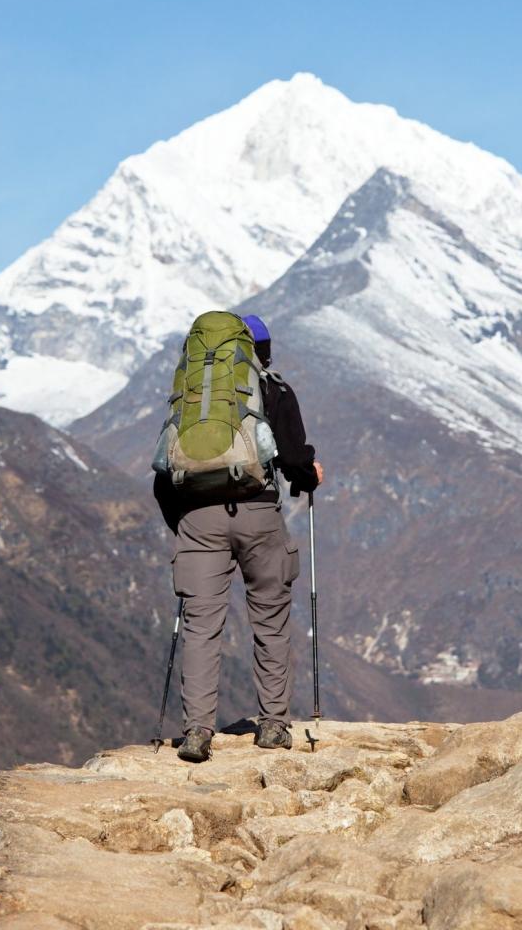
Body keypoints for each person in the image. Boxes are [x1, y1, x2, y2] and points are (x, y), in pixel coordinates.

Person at [153, 313, 323, 762]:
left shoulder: (195, 398)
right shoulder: (274, 390)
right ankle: (272, 725)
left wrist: (186, 526)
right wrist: (310, 474)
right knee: (269, 619)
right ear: (259, 352)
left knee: (202, 627)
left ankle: (196, 733)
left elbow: (163, 473)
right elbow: (293, 460)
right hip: (258, 514)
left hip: (198, 519)